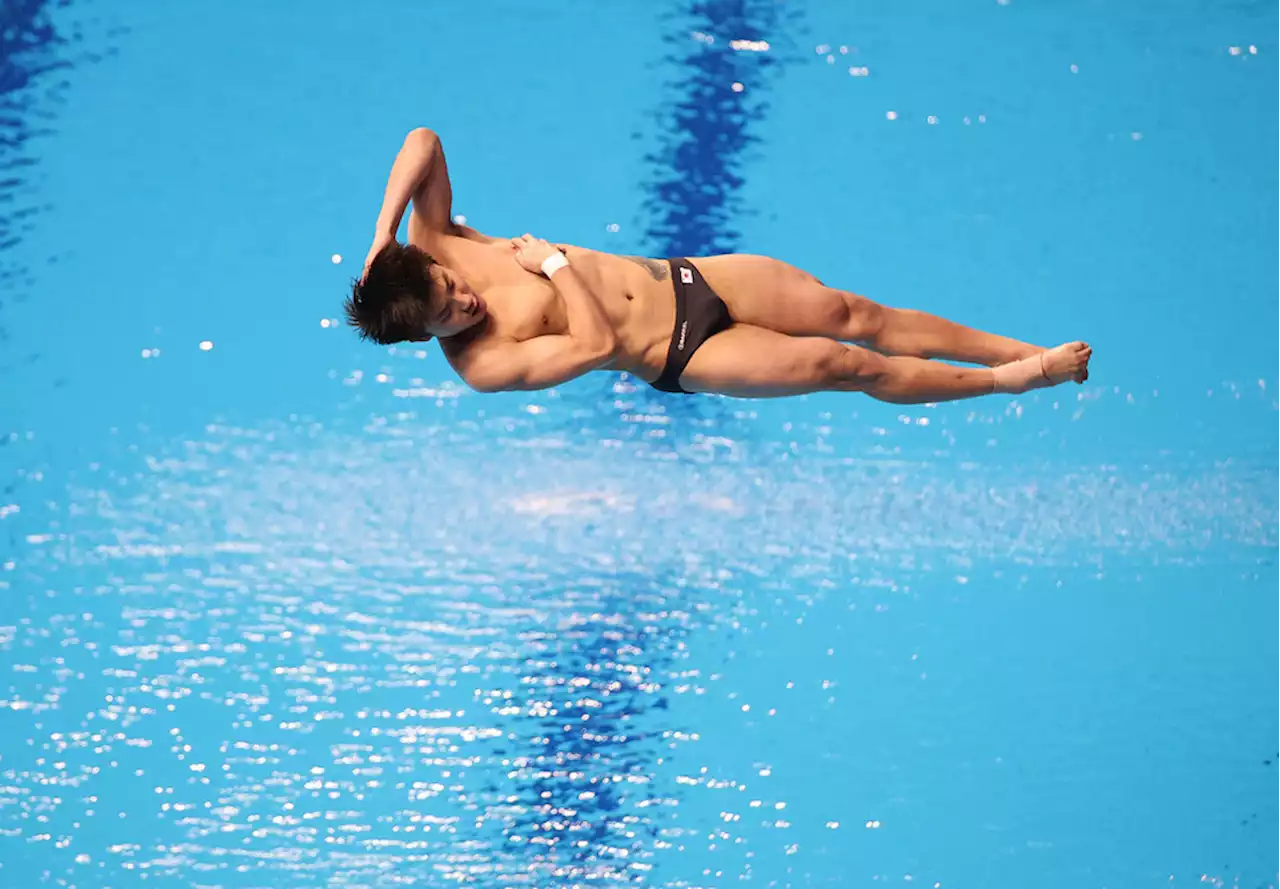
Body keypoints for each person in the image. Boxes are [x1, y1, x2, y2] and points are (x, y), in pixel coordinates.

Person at [345, 128, 1091, 402]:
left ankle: (1023, 347)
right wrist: (556, 268)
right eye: (450, 313)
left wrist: (382, 233)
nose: (465, 299)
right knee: (841, 363)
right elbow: (599, 347)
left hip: (688, 275)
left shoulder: (434, 241)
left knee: (854, 314)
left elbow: (424, 140)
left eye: (451, 286)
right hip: (683, 350)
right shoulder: (485, 364)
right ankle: (1012, 379)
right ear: (429, 337)